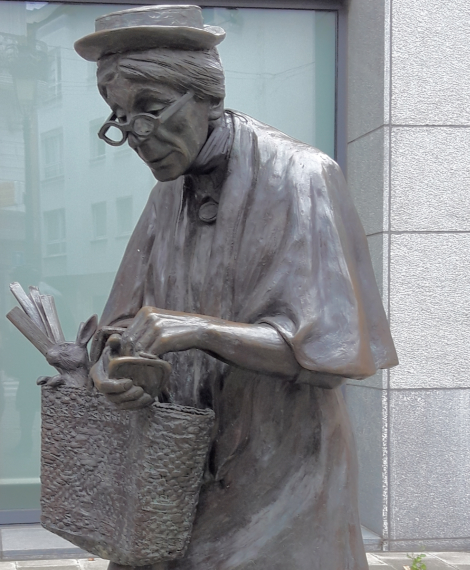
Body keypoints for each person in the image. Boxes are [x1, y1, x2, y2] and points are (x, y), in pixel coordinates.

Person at [75, 5, 398, 570]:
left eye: (150, 109)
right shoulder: (165, 198)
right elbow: (120, 327)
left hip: (284, 477)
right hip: (175, 472)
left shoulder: (302, 176)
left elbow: (334, 356)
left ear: (207, 97)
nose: (137, 137)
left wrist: (201, 332)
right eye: (121, 118)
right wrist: (121, 371)